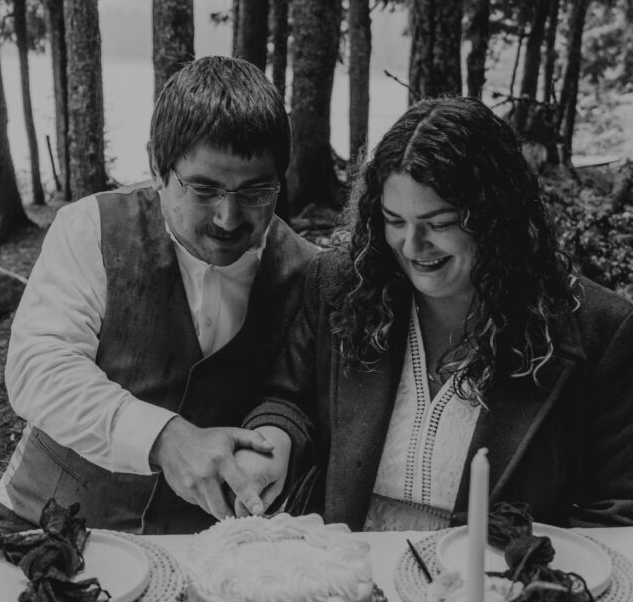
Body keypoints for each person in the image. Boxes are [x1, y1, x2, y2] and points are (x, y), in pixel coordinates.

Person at [235, 96, 633, 531]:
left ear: (498, 217)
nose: (412, 245)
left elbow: (617, 510)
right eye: (394, 220)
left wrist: (518, 575)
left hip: (498, 584)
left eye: (440, 223)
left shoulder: (600, 331)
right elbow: (289, 399)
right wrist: (269, 444)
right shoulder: (341, 286)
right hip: (348, 570)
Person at [0, 56, 317, 534]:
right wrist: (165, 438)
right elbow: (40, 366)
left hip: (201, 548)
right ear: (158, 166)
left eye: (257, 191)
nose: (228, 218)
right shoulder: (90, 227)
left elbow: (296, 396)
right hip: (39, 523)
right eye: (204, 189)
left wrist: (275, 440)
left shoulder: (306, 271)